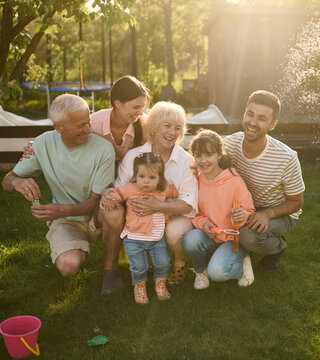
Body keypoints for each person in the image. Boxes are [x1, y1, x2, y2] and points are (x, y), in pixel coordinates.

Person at [22, 76, 151, 294]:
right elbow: (68, 130)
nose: (140, 112)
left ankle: (123, 260)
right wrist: (36, 146)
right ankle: (101, 249)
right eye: (136, 106)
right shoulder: (96, 122)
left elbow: (164, 147)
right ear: (117, 104)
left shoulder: (143, 125)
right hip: (100, 181)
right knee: (109, 203)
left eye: (143, 107)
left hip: (130, 184)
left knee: (120, 207)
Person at [2, 94, 115, 277]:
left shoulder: (103, 148)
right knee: (68, 267)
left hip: (99, 215)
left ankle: (113, 267)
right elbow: (7, 181)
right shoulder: (42, 144)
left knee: (113, 210)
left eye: (88, 122)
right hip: (67, 221)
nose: (87, 130)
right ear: (59, 128)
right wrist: (17, 182)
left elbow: (95, 201)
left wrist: (61, 210)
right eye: (80, 126)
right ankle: (76, 250)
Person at [102, 101, 198, 287]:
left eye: (178, 128)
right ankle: (137, 262)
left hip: (173, 214)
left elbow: (189, 202)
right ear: (154, 127)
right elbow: (121, 188)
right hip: (139, 213)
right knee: (117, 215)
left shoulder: (185, 161)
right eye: (167, 126)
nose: (172, 132)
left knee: (173, 233)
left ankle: (179, 262)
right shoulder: (134, 156)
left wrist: (159, 206)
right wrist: (111, 194)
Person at [223, 90, 305, 272]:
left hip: (278, 212)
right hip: (244, 207)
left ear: (273, 124)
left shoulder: (287, 157)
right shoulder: (229, 144)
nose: (252, 122)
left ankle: (277, 248)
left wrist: (267, 214)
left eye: (261, 118)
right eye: (250, 114)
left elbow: (297, 202)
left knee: (249, 237)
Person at [182, 130, 255, 289]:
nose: (203, 161)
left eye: (208, 155)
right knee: (191, 239)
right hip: (208, 237)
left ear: (219, 155)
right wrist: (204, 223)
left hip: (232, 240)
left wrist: (242, 215)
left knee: (218, 274)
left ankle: (242, 266)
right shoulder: (195, 180)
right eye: (198, 155)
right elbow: (193, 212)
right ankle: (200, 272)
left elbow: (249, 210)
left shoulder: (234, 181)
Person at [110, 152, 177, 304]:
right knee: (139, 266)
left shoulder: (162, 190)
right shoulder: (130, 188)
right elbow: (117, 194)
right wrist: (110, 199)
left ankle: (160, 284)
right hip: (134, 238)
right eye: (142, 176)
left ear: (160, 177)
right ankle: (139, 286)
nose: (146, 182)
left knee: (163, 263)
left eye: (152, 177)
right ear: (136, 175)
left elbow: (175, 191)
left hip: (157, 238)